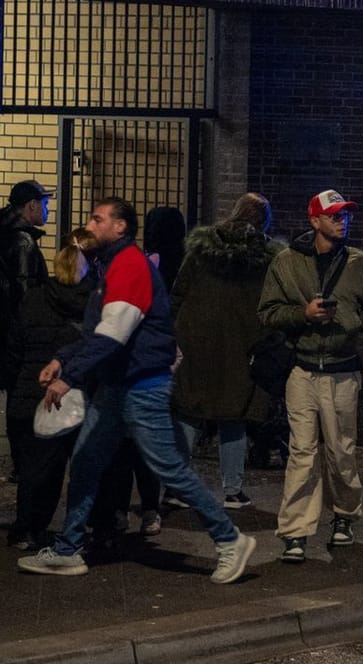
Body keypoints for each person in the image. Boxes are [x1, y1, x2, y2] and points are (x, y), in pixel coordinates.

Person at [17, 199, 256, 583]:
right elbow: (103, 332)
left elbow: (113, 334)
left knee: (169, 470)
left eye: (98, 219)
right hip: (121, 386)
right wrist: (64, 360)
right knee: (87, 463)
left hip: (140, 388)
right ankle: (67, 549)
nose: (90, 225)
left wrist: (68, 374)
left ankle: (230, 539)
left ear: (121, 227)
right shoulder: (113, 265)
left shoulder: (128, 266)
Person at [258, 189, 363, 564]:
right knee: (301, 452)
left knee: (341, 452)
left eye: (345, 214)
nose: (342, 220)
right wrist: (303, 314)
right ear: (314, 220)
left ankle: (345, 515)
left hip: (343, 369)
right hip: (302, 369)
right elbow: (267, 311)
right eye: (334, 215)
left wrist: (355, 321)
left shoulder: (359, 263)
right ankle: (296, 531)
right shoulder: (286, 263)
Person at [171, 193, 282, 509]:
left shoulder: (201, 250)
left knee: (189, 412)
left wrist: (173, 334)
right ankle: (232, 489)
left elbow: (179, 291)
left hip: (196, 340)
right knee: (235, 416)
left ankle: (177, 487)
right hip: (241, 345)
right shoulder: (266, 258)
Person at [6, 230, 91, 550]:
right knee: (57, 469)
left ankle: (25, 528)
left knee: (30, 468)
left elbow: (16, 345)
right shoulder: (91, 303)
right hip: (68, 397)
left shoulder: (34, 298)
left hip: (29, 391)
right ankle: (49, 527)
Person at [0, 180, 52, 476]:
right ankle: (25, 466)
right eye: (43, 204)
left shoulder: (5, 232)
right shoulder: (23, 242)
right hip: (16, 333)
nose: (46, 209)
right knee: (25, 398)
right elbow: (24, 291)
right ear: (31, 206)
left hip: (5, 330)